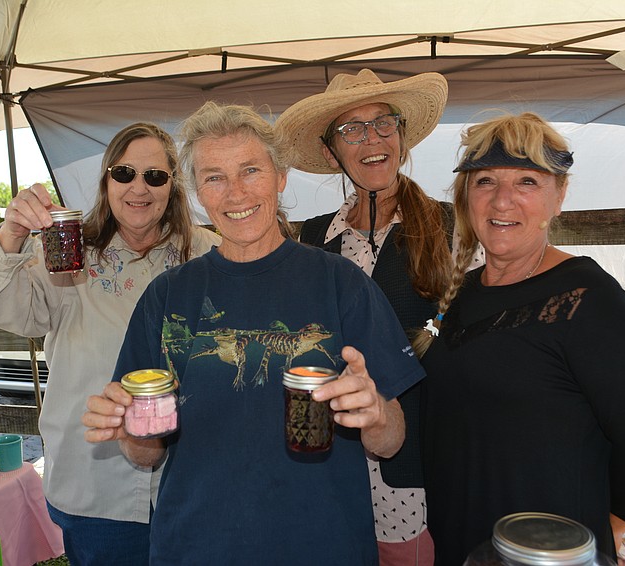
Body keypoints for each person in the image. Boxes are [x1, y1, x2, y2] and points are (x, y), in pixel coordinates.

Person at [82, 101, 426, 564]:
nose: (235, 193)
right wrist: (128, 427)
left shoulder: (342, 283)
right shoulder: (168, 297)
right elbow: (147, 454)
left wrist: (378, 414)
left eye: (250, 170)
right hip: (195, 548)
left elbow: (392, 440)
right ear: (198, 191)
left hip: (325, 546)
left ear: (280, 176)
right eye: (214, 177)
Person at [413, 111, 625, 565]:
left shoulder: (588, 299)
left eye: (527, 182)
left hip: (546, 551)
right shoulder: (461, 294)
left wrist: (609, 529)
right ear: (466, 196)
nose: (502, 202)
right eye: (485, 182)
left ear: (560, 196)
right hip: (462, 540)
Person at [0, 122, 221, 565]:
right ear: (106, 180)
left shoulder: (207, 255)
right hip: (96, 484)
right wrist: (12, 235)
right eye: (125, 173)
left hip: (193, 482)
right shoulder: (70, 253)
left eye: (154, 176)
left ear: (173, 186)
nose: (138, 187)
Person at [277, 68, 458, 565]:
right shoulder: (308, 239)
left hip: (418, 468)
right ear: (333, 151)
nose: (371, 139)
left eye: (384, 123)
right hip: (328, 466)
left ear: (401, 135)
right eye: (351, 129)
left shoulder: (452, 227)